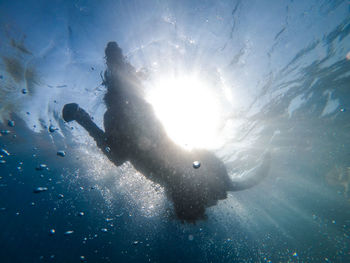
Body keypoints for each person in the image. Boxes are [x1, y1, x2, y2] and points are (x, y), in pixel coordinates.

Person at [62, 41, 271, 222]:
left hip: (161, 153)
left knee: (125, 148)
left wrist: (85, 121)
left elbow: (120, 155)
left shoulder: (189, 185)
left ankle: (114, 77)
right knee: (128, 109)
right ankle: (118, 69)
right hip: (163, 152)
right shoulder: (123, 112)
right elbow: (120, 156)